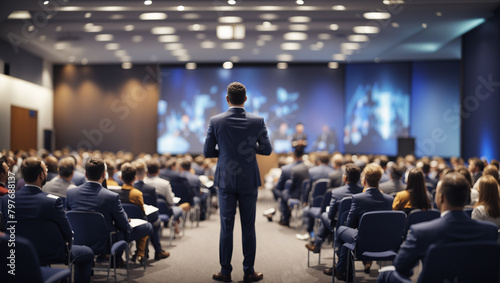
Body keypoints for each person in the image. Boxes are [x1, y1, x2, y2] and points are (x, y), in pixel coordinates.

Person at [204, 82, 272, 282]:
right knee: (248, 226)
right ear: (245, 99)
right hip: (248, 179)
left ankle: (225, 272)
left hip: (225, 179)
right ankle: (249, 271)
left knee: (226, 227)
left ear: (227, 99)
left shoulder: (215, 121)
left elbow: (208, 152)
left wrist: (225, 152)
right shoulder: (257, 120)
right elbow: (267, 150)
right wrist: (251, 148)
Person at [377, 172, 498, 283]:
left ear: (442, 197)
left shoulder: (421, 232)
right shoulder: (489, 231)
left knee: (386, 275)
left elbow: (401, 267)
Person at [0, 157, 94, 283]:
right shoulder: (52, 202)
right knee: (87, 253)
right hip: (51, 253)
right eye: (45, 171)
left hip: (17, 252)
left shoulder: (6, 200)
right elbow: (68, 233)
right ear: (41, 176)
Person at [66, 157, 152, 268]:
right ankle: (123, 258)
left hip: (78, 240)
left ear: (86, 175)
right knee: (147, 226)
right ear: (103, 175)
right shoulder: (111, 197)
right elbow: (123, 225)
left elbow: (69, 219)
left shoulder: (71, 193)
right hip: (106, 244)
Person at [333, 163, 394, 280]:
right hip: (384, 242)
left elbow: (350, 225)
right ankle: (340, 268)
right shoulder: (389, 199)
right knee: (347, 245)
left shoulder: (358, 198)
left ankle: (341, 268)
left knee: (341, 230)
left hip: (362, 243)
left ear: (364, 180)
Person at [305, 164, 363, 257]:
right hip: (357, 226)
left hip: (340, 226)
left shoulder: (337, 192)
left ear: (344, 178)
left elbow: (331, 215)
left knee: (324, 215)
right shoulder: (363, 192)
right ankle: (317, 243)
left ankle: (317, 243)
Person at [132, 161, 170, 260]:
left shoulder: (130, 188)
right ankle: (157, 251)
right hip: (146, 217)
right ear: (145, 173)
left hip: (130, 219)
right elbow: (154, 207)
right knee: (155, 222)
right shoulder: (150, 188)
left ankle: (143, 251)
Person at [278, 147, 309, 227]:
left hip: (295, 196)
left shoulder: (286, 169)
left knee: (282, 193)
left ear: (293, 156)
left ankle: (285, 219)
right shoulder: (310, 168)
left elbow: (280, 186)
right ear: (303, 156)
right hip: (307, 197)